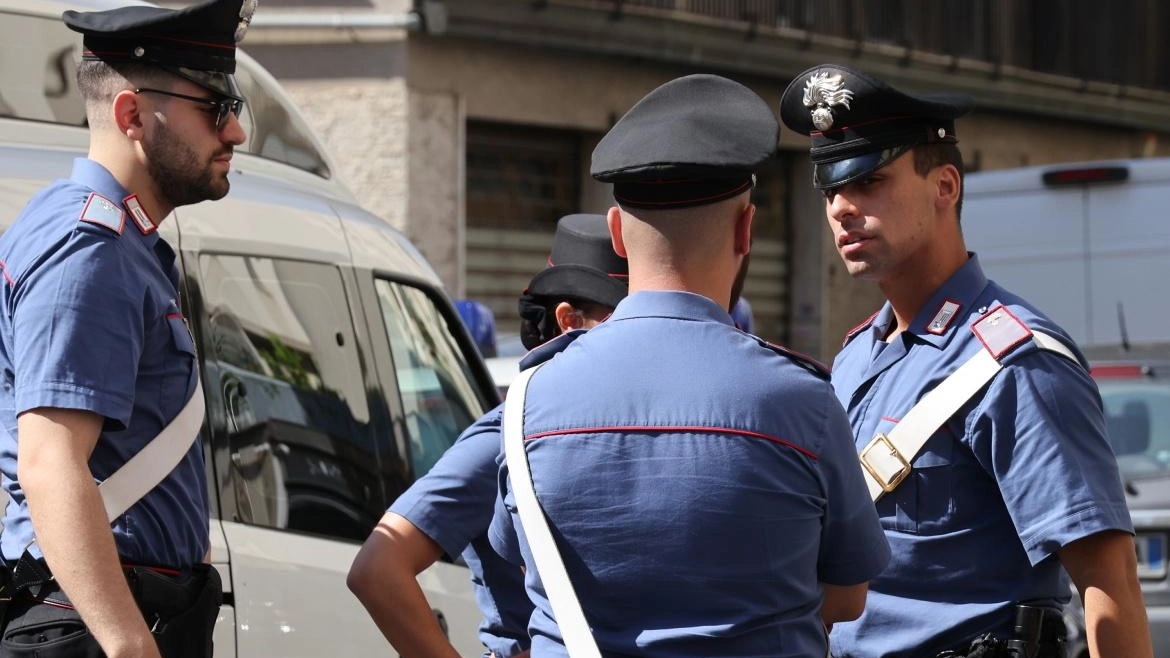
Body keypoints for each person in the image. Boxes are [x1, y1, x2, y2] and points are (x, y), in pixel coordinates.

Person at [488, 74, 890, 658]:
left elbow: (521, 562)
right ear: (746, 230)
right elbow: (849, 597)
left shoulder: (529, 398)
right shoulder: (800, 399)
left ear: (618, 235)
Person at [779, 64, 1152, 658]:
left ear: (945, 186)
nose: (842, 208)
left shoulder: (1017, 362)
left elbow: (1109, 585)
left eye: (869, 182)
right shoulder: (855, 358)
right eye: (831, 190)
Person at [0, 0, 252, 656]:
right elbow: (49, 460)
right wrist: (129, 645)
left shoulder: (121, 241)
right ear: (132, 115)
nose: (236, 134)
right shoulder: (89, 245)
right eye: (215, 110)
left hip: (121, 614)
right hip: (94, 626)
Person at [348, 213, 629, 658]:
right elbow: (378, 569)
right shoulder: (505, 436)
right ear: (569, 321)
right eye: (626, 319)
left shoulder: (636, 429)